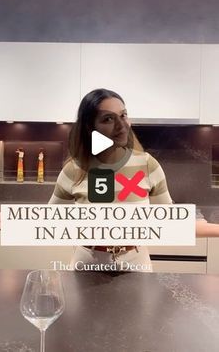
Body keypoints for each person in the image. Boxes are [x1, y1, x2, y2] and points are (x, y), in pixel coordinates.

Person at [49, 88, 219, 272]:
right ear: (90, 127)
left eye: (123, 115)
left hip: (136, 262)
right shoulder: (74, 170)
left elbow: (171, 223)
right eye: (108, 119)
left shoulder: (147, 165)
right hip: (88, 262)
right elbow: (49, 221)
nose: (121, 125)